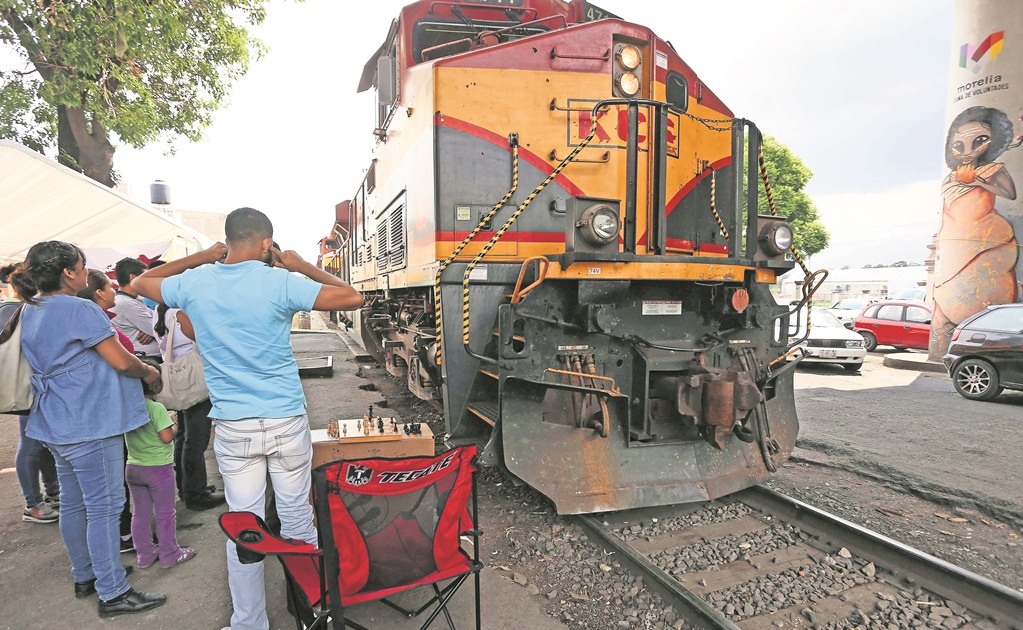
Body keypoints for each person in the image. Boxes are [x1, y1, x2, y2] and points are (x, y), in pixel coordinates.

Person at [133, 208, 363, 630]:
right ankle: (314, 612)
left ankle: (249, 623)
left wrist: (201, 257)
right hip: (285, 420)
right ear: (265, 243)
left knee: (246, 529)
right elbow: (352, 297)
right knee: (297, 518)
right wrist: (299, 264)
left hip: (234, 427)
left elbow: (139, 283)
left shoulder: (196, 282)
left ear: (229, 240)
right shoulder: (280, 281)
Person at [12, 241, 167, 617]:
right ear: (69, 272)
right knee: (105, 507)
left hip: (53, 421)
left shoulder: (29, 309)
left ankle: (86, 574)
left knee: (75, 502)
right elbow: (119, 359)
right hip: (88, 421)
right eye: (82, 266)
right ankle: (112, 591)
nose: (85, 271)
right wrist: (149, 371)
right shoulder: (79, 308)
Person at [934, 106, 1019, 342]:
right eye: (959, 145)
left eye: (980, 141)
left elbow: (1009, 194)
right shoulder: (950, 177)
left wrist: (976, 184)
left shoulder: (993, 170)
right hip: (954, 245)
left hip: (988, 244)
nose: (968, 151)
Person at [76, 269, 140, 552]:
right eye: (110, 287)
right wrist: (148, 371)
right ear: (100, 293)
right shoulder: (93, 320)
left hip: (98, 410)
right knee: (108, 496)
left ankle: (100, 558)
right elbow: (122, 362)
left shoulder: (95, 318)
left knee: (88, 496)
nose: (115, 291)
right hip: (104, 413)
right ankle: (120, 543)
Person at [2, 263, 60, 524]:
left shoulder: (25, 308)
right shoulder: (13, 310)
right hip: (28, 386)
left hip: (37, 385)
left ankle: (53, 491)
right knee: (31, 443)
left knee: (40, 441)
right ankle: (33, 504)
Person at [153, 302, 226, 510]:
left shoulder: (158, 312)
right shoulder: (180, 315)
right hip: (192, 382)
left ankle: (187, 488)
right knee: (196, 440)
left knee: (184, 438)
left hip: (177, 383)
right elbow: (207, 337)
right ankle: (197, 494)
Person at [125, 358, 197, 569]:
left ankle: (145, 555)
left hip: (133, 467)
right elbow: (166, 437)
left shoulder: (129, 407)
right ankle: (169, 553)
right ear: (157, 384)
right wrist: (173, 422)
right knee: (166, 512)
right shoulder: (156, 408)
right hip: (158, 469)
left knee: (140, 513)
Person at [111, 257, 161, 360]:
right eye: (145, 277)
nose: (148, 282)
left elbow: (156, 325)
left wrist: (153, 329)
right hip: (146, 359)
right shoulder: (126, 303)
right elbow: (160, 330)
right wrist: (154, 330)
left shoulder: (134, 299)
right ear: (133, 277)